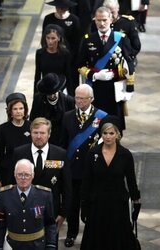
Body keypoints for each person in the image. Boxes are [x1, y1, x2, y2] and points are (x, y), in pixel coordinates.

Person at [80, 116, 141, 249]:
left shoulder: (125, 155)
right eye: (105, 133)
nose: (108, 137)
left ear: (118, 134)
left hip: (118, 203)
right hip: (97, 203)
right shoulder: (92, 153)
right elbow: (86, 181)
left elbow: (131, 180)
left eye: (111, 133)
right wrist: (84, 205)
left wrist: (136, 201)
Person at [60, 84, 107, 247]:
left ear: (91, 99)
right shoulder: (67, 116)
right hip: (72, 170)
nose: (78, 101)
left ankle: (92, 235)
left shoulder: (101, 118)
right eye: (76, 97)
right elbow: (63, 144)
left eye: (82, 98)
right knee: (72, 204)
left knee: (91, 203)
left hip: (92, 170)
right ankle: (71, 233)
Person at [13, 117, 72, 244]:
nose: (38, 136)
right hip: (24, 212)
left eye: (42, 133)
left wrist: (63, 214)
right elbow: (11, 184)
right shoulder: (19, 153)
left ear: (49, 134)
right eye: (35, 133)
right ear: (31, 133)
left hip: (51, 213)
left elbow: (67, 187)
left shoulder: (60, 154)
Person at [78, 6, 135, 131]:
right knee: (96, 123)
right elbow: (80, 65)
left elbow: (130, 62)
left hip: (114, 88)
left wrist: (130, 87)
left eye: (104, 20)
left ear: (111, 19)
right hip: (95, 87)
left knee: (114, 124)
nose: (101, 23)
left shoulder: (121, 38)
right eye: (98, 20)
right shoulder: (88, 40)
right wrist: (94, 74)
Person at [0, 159, 57, 250]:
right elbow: (0, 225)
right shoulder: (3, 196)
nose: (23, 178)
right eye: (20, 174)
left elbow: (50, 223)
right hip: (13, 245)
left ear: (33, 176)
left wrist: (51, 245)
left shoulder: (44, 195)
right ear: (15, 175)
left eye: (27, 174)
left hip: (38, 245)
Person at [43, 0, 81, 95]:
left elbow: (77, 42)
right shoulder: (48, 19)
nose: (61, 9)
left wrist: (70, 58)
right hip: (52, 59)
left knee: (71, 87)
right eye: (59, 7)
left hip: (70, 60)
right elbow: (44, 40)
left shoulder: (74, 20)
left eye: (63, 7)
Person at [0, 92, 31, 188]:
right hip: (9, 172)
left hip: (28, 171)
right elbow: (0, 153)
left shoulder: (31, 126)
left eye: (21, 108)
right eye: (15, 109)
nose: (18, 111)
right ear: (10, 111)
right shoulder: (3, 128)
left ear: (25, 110)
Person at [90, 0, 141, 65]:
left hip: (123, 61)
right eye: (108, 13)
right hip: (102, 61)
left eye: (113, 12)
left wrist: (127, 57)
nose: (111, 16)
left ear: (118, 9)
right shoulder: (97, 23)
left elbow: (136, 45)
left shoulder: (128, 23)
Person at [30, 73, 75, 146]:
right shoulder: (38, 99)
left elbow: (71, 123)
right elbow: (33, 119)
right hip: (43, 140)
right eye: (49, 93)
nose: (52, 96)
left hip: (62, 141)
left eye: (54, 92)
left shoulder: (68, 101)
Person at [34, 24, 72, 95]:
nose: (50, 41)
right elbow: (37, 76)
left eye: (53, 38)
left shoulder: (65, 53)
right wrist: (36, 96)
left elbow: (68, 75)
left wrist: (71, 96)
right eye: (48, 38)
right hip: (45, 88)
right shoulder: (40, 53)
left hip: (61, 89)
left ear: (59, 38)